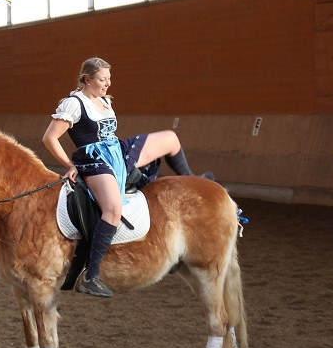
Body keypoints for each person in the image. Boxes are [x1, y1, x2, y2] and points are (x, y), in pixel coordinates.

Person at [42, 57, 211, 298]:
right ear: (87, 79)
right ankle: (91, 275)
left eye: (109, 79)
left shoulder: (103, 100)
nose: (108, 84)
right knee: (112, 209)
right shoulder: (73, 104)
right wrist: (69, 165)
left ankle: (195, 181)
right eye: (103, 79)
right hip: (95, 160)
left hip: (117, 151)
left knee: (171, 139)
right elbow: (50, 138)